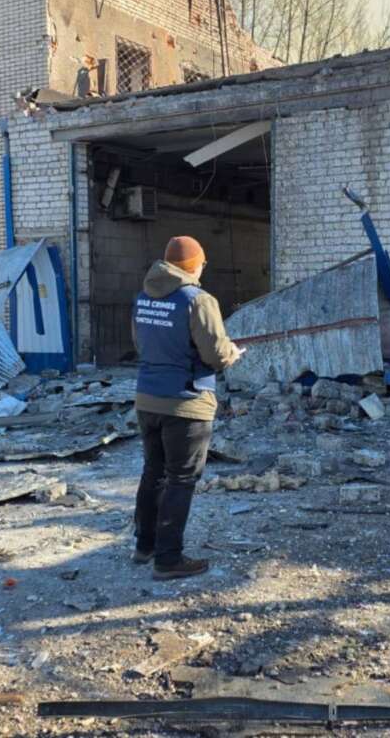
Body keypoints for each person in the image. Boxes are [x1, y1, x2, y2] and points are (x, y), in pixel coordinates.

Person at [131, 235, 243, 579]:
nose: (202, 269)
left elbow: (141, 344)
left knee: (154, 472)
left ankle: (145, 546)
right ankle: (169, 559)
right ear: (194, 264)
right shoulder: (198, 300)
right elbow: (215, 355)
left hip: (147, 399)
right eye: (202, 264)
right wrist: (232, 353)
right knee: (180, 479)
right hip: (186, 403)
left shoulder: (143, 298)